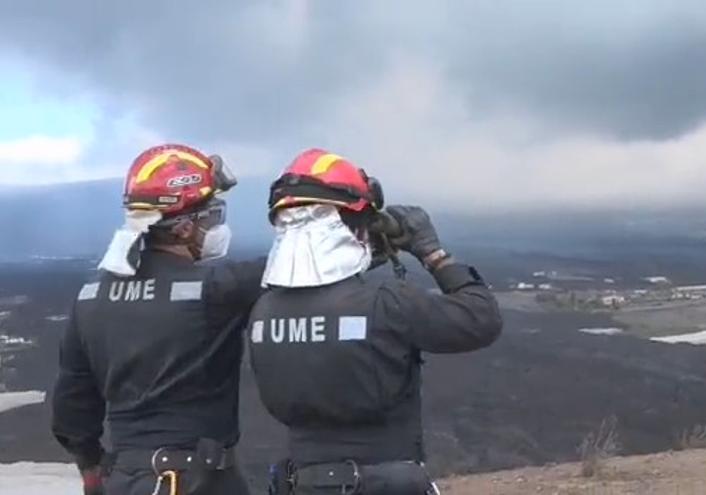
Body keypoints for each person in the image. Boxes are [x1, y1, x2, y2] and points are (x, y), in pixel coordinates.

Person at [248, 149, 503, 494]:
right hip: (382, 480)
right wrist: (433, 253)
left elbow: (322, 299)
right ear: (354, 222)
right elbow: (480, 319)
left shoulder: (264, 310)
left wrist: (365, 257)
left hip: (300, 483)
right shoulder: (387, 302)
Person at [51, 144, 263, 495]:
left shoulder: (89, 296)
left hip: (125, 478)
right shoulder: (215, 288)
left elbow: (71, 408)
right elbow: (297, 268)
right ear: (182, 228)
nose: (214, 226)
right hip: (199, 480)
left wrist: (92, 468)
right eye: (209, 217)